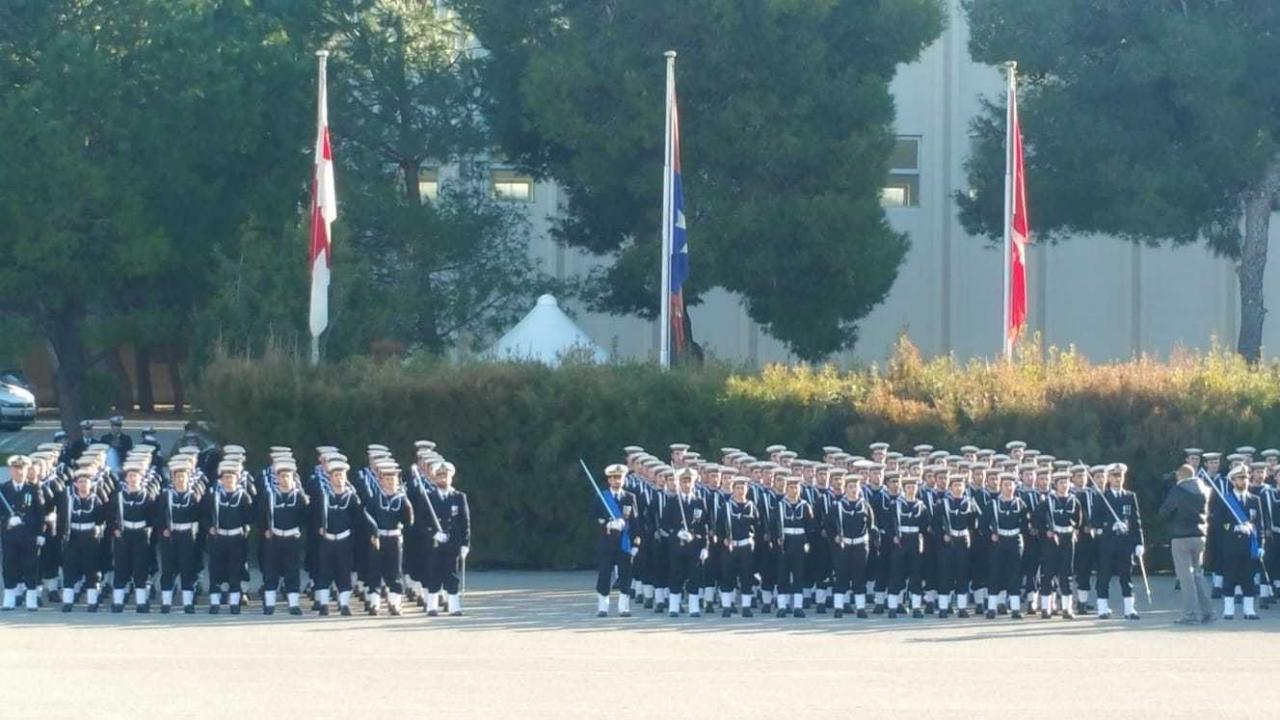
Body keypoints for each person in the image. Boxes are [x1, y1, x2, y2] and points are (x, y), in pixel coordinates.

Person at [1159, 463, 1213, 624]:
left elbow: (1165, 512)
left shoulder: (1178, 490)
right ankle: (1207, 611)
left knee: (1185, 577)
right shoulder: (1204, 489)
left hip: (1181, 536)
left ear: (1180, 476)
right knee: (1198, 575)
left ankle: (1190, 614)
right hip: (1200, 535)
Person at [1094, 464, 1145, 620]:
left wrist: (1139, 542)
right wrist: (1110, 525)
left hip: (1125, 543)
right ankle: (1102, 608)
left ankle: (1129, 610)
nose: (1117, 479)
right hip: (1107, 543)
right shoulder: (1102, 497)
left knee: (1126, 576)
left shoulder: (1130, 496)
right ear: (1109, 478)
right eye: (1114, 476)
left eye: (1120, 476)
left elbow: (1136, 521)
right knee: (1104, 575)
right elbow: (1094, 521)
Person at [1214, 465, 1264, 620]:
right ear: (1233, 481)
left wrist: (1261, 546)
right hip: (1231, 546)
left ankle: (1249, 610)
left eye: (1246, 478)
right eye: (1240, 478)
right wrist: (1235, 528)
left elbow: (1261, 525)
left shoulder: (1254, 500)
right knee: (1230, 578)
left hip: (1249, 547)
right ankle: (1228, 610)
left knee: (1248, 578)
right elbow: (1218, 523)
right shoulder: (1225, 500)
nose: (1244, 481)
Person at [261, 460, 310, 616]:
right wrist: (264, 530)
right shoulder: (269, 495)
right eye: (281, 476)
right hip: (274, 538)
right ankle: (269, 605)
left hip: (291, 538)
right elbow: (261, 515)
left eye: (287, 476)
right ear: (277, 478)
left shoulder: (299, 497)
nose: (284, 479)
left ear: (293, 478)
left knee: (292, 571)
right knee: (271, 571)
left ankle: (294, 605)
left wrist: (299, 530)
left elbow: (306, 517)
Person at [365, 463, 414, 616]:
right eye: (386, 479)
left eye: (392, 479)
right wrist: (372, 534)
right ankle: (374, 603)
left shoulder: (403, 500)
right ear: (381, 481)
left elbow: (409, 521)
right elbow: (367, 517)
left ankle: (395, 604)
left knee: (394, 572)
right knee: (374, 570)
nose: (389, 482)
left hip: (394, 538)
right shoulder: (374, 499)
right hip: (378, 539)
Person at [205, 461, 254, 614]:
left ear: (237, 478)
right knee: (215, 570)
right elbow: (204, 514)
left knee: (235, 570)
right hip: (218, 538)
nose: (228, 480)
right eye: (225, 477)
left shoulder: (243, 496)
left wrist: (245, 530)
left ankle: (234, 603)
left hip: (236, 538)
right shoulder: (214, 495)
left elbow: (249, 517)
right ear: (221, 479)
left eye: (231, 477)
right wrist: (209, 527)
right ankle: (214, 603)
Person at [314, 460, 361, 616]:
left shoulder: (352, 498)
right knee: (324, 571)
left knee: (344, 571)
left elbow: (357, 519)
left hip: (344, 539)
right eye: (335, 475)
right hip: (327, 539)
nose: (339, 478)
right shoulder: (323, 495)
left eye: (341, 475)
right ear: (330, 478)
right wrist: (318, 527)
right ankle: (324, 603)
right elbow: (313, 515)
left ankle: (344, 604)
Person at [57, 468, 108, 611]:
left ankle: (92, 602)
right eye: (80, 482)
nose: (83, 485)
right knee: (70, 568)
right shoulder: (69, 500)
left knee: (91, 568)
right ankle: (67, 601)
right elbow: (62, 519)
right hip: (73, 536)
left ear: (91, 484)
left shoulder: (96, 500)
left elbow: (101, 519)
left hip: (90, 536)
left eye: (86, 482)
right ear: (75, 484)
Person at [109, 462, 156, 613]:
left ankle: (141, 602)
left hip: (141, 534)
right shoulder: (119, 496)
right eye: (130, 476)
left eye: (135, 475)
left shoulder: (147, 496)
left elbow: (152, 517)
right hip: (124, 534)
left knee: (140, 568)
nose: (133, 478)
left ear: (141, 478)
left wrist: (147, 530)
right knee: (121, 567)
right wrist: (115, 529)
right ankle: (118, 601)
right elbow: (110, 515)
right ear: (126, 479)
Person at [662, 467, 709, 617]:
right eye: (684, 481)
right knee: (676, 575)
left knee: (694, 576)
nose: (687, 484)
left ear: (694, 482)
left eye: (689, 481)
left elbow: (705, 527)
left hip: (694, 546)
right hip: (677, 546)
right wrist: (676, 533)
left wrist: (705, 546)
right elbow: (664, 524)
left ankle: (694, 607)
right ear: (679, 483)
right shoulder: (672, 501)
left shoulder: (699, 502)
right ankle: (674, 607)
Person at [425, 461, 470, 617]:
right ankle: (432, 607)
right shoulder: (429, 497)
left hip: (452, 543)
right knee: (434, 573)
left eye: (446, 476)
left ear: (451, 477)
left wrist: (465, 543)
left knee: (451, 575)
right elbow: (421, 522)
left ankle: (454, 607)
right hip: (435, 543)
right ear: (435, 478)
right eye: (440, 476)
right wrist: (433, 533)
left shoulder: (458, 497)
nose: (443, 479)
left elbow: (465, 522)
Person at [157, 459, 203, 614]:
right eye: (177, 477)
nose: (180, 480)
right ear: (173, 479)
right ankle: (166, 602)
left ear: (188, 478)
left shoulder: (193, 496)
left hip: (187, 536)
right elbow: (159, 516)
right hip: (170, 536)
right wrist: (163, 529)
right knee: (168, 568)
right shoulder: (166, 496)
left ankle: (188, 603)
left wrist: (194, 534)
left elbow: (198, 517)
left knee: (187, 568)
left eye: (183, 477)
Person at [594, 464, 639, 617]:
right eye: (614, 478)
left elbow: (636, 522)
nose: (617, 480)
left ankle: (624, 607)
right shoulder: (602, 497)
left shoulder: (630, 497)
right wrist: (607, 522)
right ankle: (603, 607)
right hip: (607, 543)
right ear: (609, 480)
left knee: (625, 575)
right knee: (605, 575)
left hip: (624, 543)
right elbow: (592, 518)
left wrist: (636, 543)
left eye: (619, 477)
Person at [828, 474, 874, 618]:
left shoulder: (865, 505)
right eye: (850, 487)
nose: (854, 490)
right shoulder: (838, 506)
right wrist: (834, 537)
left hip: (860, 546)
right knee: (841, 576)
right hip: (844, 545)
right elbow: (829, 525)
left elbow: (871, 525)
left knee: (859, 576)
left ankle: (860, 608)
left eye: (856, 486)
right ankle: (838, 607)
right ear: (845, 489)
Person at [1037, 472, 1083, 619]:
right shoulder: (1047, 501)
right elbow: (1038, 520)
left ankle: (1067, 608)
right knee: (1048, 572)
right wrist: (1046, 532)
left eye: (1066, 482)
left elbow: (1078, 520)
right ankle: (1046, 608)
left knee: (1066, 573)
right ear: (1055, 485)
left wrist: (1075, 531)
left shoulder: (1074, 501)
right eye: (1061, 483)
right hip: (1052, 539)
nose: (1064, 485)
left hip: (1067, 539)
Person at [984, 473, 1029, 619]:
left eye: (1011, 485)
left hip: (1015, 541)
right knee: (995, 573)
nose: (1009, 488)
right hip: (999, 541)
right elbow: (983, 524)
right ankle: (992, 607)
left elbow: (1025, 524)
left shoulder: (1020, 504)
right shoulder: (993, 504)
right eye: (1005, 485)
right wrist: (991, 534)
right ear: (1000, 487)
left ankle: (1015, 608)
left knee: (1015, 574)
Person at [934, 474, 978, 618]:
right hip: (948, 542)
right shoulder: (942, 503)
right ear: (950, 487)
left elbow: (973, 524)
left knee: (962, 574)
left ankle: (962, 607)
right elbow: (935, 524)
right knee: (945, 574)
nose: (958, 488)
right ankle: (943, 607)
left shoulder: (970, 503)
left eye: (960, 485)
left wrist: (969, 535)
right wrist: (942, 535)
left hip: (963, 542)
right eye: (955, 485)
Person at [886, 475, 931, 618]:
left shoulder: (921, 506)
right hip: (900, 541)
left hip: (915, 541)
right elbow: (888, 524)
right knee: (896, 573)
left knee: (916, 573)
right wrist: (893, 536)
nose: (911, 490)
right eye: (908, 487)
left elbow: (925, 526)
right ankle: (893, 606)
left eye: (914, 487)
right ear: (904, 489)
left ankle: (916, 607)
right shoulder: (895, 505)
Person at [774, 475, 813, 618]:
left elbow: (810, 527)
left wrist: (808, 542)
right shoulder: (780, 505)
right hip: (785, 542)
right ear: (786, 489)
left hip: (799, 542)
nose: (793, 490)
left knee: (799, 574)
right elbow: (774, 525)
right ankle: (782, 606)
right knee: (782, 575)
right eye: (791, 487)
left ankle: (798, 606)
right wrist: (776, 540)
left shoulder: (805, 506)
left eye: (796, 487)